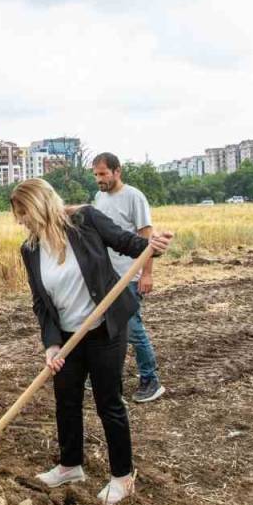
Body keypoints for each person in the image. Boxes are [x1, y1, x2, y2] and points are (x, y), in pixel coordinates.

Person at [12, 178, 167, 505]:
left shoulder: (86, 220)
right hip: (68, 336)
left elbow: (126, 243)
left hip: (104, 329)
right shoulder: (30, 249)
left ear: (38, 205)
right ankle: (70, 466)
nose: (19, 220)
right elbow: (41, 302)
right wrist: (51, 345)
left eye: (22, 211)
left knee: (108, 401)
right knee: (65, 399)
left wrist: (152, 245)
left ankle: (122, 477)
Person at [91, 152, 166, 403]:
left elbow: (147, 238)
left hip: (129, 275)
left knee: (132, 329)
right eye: (96, 175)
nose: (99, 179)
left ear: (117, 171)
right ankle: (109, 379)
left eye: (103, 174)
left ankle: (150, 379)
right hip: (106, 276)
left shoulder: (134, 197)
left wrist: (147, 274)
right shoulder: (99, 198)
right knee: (105, 330)